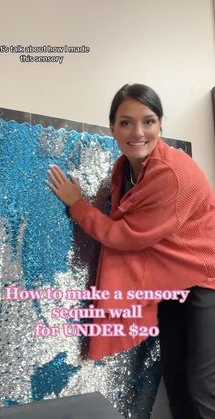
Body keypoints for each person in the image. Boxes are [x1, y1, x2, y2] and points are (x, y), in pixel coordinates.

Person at [46, 83, 215, 419]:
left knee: (202, 387)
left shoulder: (173, 174)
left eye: (148, 121)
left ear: (161, 124)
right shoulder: (124, 168)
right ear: (112, 127)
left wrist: (77, 205)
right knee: (176, 381)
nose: (138, 132)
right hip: (173, 282)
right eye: (126, 122)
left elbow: (125, 236)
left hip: (205, 279)